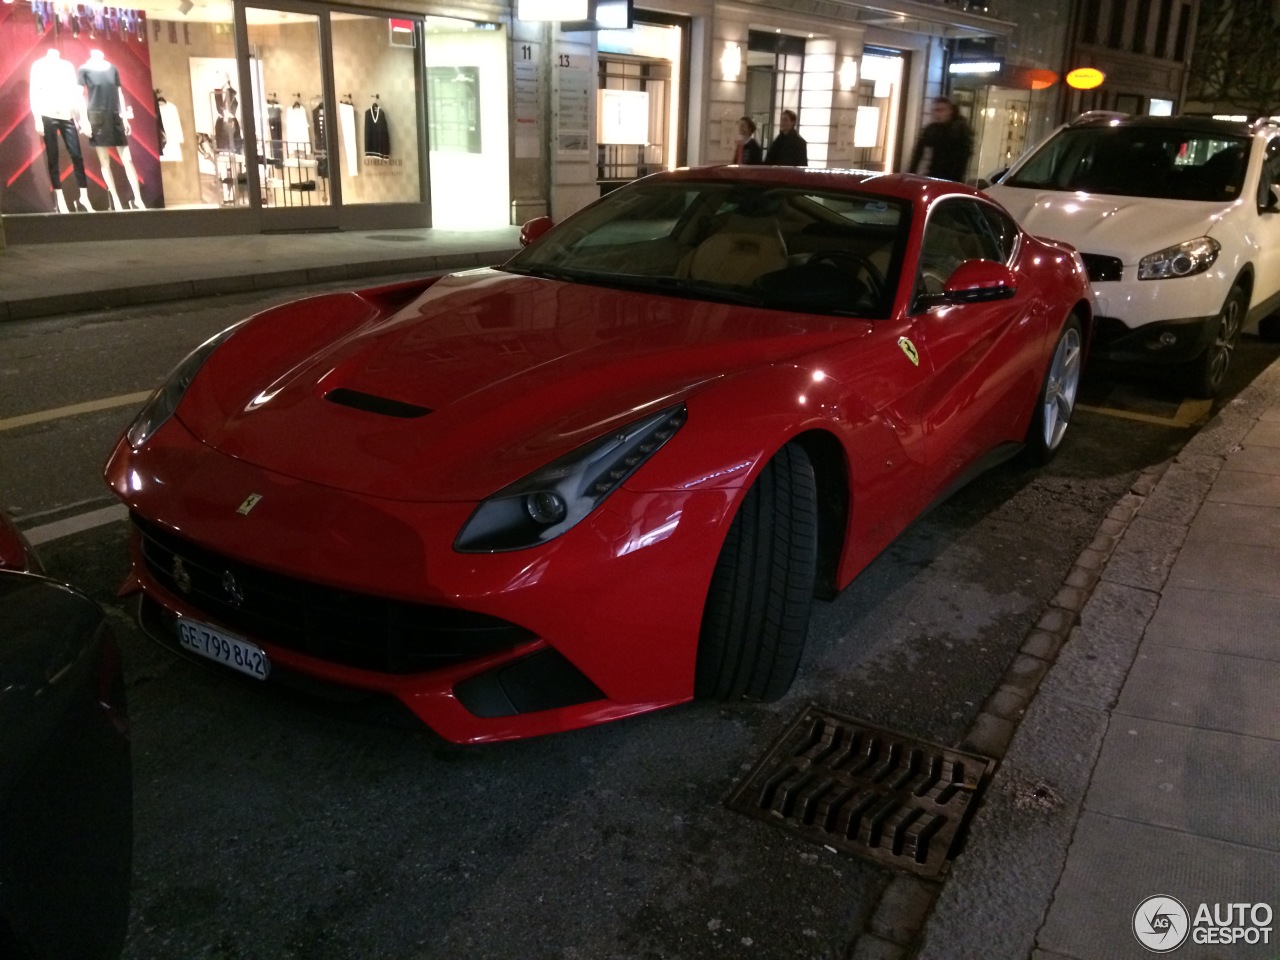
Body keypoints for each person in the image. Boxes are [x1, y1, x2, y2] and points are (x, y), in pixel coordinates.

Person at [77, 49, 146, 210]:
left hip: (115, 115)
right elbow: (79, 96)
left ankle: (138, 199)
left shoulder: (112, 68)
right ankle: (115, 200)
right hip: (96, 117)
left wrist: (124, 117)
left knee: (127, 159)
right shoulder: (84, 69)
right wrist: (85, 120)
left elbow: (119, 93)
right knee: (105, 161)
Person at [29, 49, 91, 213]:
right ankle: (59, 195)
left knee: (76, 154)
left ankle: (83, 195)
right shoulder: (38, 65)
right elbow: (33, 93)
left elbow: (74, 93)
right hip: (47, 114)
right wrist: (37, 119)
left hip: (67, 114)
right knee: (53, 156)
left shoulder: (67, 66)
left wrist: (79, 117)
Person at [909, 96, 973, 182]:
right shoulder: (932, 129)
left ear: (950, 111)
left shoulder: (960, 129)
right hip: (934, 175)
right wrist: (911, 174)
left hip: (953, 178)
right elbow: (918, 153)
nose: (937, 114)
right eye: (935, 110)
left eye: (941, 110)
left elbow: (962, 159)